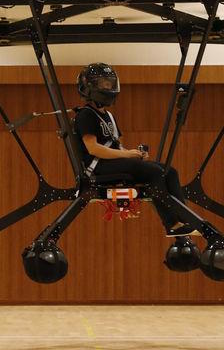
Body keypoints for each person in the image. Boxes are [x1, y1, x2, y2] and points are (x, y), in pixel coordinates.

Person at [73, 62, 198, 237]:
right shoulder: (85, 114)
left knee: (169, 171)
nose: (108, 88)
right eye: (103, 84)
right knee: (156, 172)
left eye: (110, 84)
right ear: (89, 87)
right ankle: (172, 223)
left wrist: (135, 155)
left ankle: (186, 219)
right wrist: (127, 154)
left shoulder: (108, 116)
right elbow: (93, 149)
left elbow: (117, 146)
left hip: (112, 162)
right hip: (98, 166)